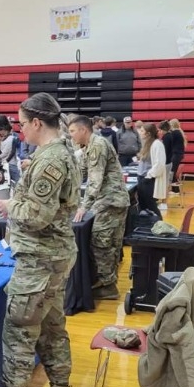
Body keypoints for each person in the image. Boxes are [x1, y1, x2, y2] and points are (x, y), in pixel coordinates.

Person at [0, 93, 80, 387]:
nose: (19, 130)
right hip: (54, 257)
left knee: (19, 337)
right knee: (52, 330)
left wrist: (9, 207)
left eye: (21, 123)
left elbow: (37, 216)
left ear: (36, 123)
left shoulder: (50, 159)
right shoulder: (61, 152)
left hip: (39, 260)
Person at [69, 115, 129, 300]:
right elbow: (81, 172)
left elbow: (95, 180)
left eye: (72, 131)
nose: (71, 136)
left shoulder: (97, 145)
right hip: (112, 201)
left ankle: (108, 285)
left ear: (83, 130)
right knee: (110, 243)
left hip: (110, 201)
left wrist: (83, 207)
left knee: (101, 242)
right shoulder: (89, 146)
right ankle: (107, 282)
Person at [136, 123, 166, 219]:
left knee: (151, 205)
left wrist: (149, 176)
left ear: (148, 133)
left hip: (148, 180)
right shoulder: (146, 144)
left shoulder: (157, 144)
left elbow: (160, 164)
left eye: (141, 131)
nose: (139, 133)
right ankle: (147, 226)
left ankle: (160, 225)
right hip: (141, 178)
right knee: (143, 206)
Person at [168, 119, 187, 185]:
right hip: (178, 154)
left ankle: (175, 189)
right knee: (173, 171)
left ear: (172, 125)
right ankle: (175, 188)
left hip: (176, 154)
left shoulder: (175, 133)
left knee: (172, 171)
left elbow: (169, 142)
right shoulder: (178, 132)